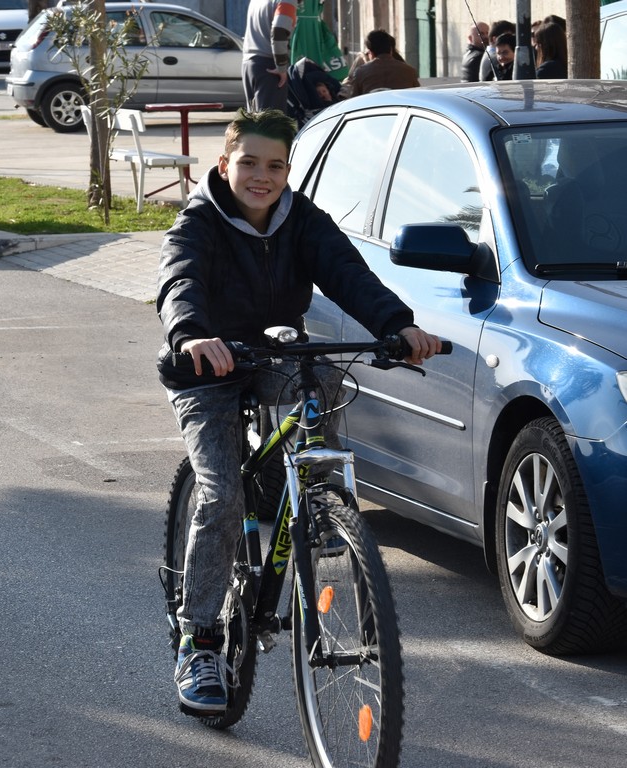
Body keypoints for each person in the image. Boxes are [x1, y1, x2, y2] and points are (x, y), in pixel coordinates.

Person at [156, 108, 441, 716]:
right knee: (222, 494)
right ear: (224, 164)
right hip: (206, 366)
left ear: (289, 171)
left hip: (274, 355)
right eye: (249, 163)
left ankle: (310, 500)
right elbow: (180, 280)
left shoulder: (303, 221)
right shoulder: (197, 223)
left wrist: (398, 326)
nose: (262, 176)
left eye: (276, 165)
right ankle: (198, 640)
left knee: (324, 390)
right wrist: (192, 332)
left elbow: (349, 274)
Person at [242, 0, 298, 111]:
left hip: (249, 64)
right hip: (270, 67)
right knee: (271, 120)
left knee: (254, 119)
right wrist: (281, 66)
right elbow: (279, 30)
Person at [347, 29, 420, 96]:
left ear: (371, 53)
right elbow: (417, 96)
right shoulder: (409, 71)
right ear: (391, 50)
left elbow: (354, 100)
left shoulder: (360, 72)